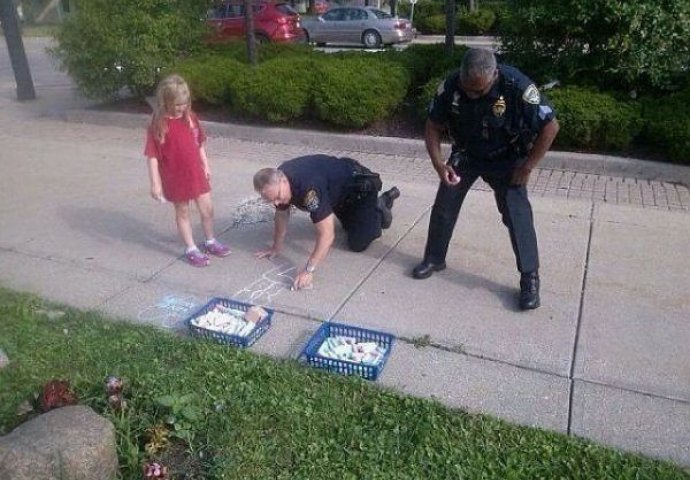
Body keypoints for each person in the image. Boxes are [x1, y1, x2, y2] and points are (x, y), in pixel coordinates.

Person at [412, 48, 560, 310]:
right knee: (445, 205)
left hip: (506, 159)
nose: (471, 94)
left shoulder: (516, 85)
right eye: (467, 89)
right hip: (467, 155)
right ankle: (434, 258)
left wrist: (527, 167)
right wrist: (438, 163)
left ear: (494, 74)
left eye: (478, 92)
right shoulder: (450, 84)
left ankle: (530, 279)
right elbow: (433, 125)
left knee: (517, 216)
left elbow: (550, 126)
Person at [253, 154, 400, 291]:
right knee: (348, 226)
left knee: (358, 242)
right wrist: (276, 246)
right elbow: (281, 214)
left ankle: (380, 206)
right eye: (272, 200)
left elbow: (327, 235)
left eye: (278, 196)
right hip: (337, 195)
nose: (277, 202)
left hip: (360, 188)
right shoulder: (279, 182)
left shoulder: (308, 188)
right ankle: (361, 213)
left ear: (283, 180)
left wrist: (308, 270)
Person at [144, 74, 231, 267]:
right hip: (174, 176)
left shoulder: (190, 118)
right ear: (165, 102)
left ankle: (210, 240)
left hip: (196, 172)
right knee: (183, 211)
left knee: (207, 209)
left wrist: (206, 165)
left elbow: (199, 144)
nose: (181, 108)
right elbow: (152, 156)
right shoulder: (158, 125)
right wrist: (155, 183)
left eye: (184, 103)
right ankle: (191, 247)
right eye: (177, 105)